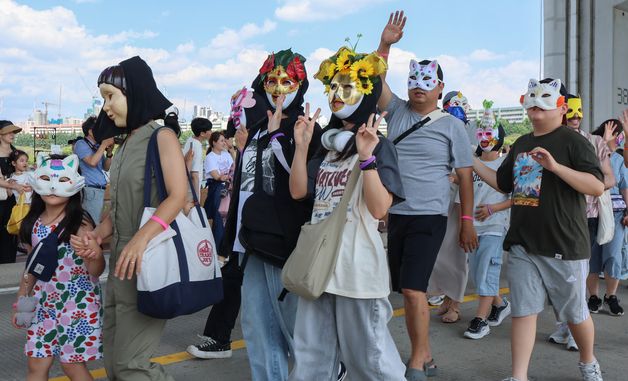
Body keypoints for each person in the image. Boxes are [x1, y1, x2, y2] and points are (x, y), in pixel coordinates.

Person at [472, 78, 604, 381]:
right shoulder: (521, 143)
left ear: (560, 107)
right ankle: (519, 376)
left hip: (564, 245)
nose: (535, 108)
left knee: (574, 313)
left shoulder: (574, 142)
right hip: (522, 243)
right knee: (523, 311)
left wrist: (556, 167)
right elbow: (504, 184)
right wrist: (469, 162)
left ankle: (588, 361)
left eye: (543, 101)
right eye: (531, 102)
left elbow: (596, 186)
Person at [288, 47, 405, 381]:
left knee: (370, 362)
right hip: (319, 268)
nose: (337, 95)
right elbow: (299, 192)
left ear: (366, 94)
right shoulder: (328, 145)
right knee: (311, 360)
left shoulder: (379, 146)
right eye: (333, 88)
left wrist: (367, 158)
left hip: (357, 273)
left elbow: (381, 209)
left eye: (347, 87)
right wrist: (301, 145)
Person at [376, 11, 477, 380]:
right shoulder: (397, 112)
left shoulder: (452, 126)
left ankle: (416, 362)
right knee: (404, 290)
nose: (419, 86)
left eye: (427, 81)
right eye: (414, 80)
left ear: (439, 87)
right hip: (396, 214)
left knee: (414, 288)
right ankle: (428, 356)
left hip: (430, 215)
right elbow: (375, 80)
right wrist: (385, 44)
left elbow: (465, 178)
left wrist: (466, 222)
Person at [73, 56, 186, 381]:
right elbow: (118, 207)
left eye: (111, 95)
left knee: (130, 365)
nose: (105, 105)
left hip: (147, 260)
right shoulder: (122, 147)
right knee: (114, 361)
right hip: (121, 264)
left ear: (134, 92)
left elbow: (177, 196)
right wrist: (98, 235)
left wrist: (140, 238)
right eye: (103, 97)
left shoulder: (161, 137)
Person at [219, 49, 322, 381]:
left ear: (301, 86)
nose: (278, 87)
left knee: (296, 332)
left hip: (286, 245)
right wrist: (229, 240)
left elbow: (302, 187)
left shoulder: (306, 128)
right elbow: (242, 184)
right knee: (257, 329)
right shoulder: (259, 125)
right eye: (271, 80)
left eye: (287, 81)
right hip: (251, 242)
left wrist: (285, 138)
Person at [187, 86, 267, 361]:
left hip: (268, 235)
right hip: (242, 233)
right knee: (231, 281)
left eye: (241, 116)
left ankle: (322, 359)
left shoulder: (272, 144)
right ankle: (219, 338)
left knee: (283, 300)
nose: (236, 127)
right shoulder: (243, 149)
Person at [12, 153, 104, 381]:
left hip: (78, 305)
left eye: (62, 180)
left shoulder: (80, 223)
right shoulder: (32, 222)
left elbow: (96, 270)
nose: (53, 187)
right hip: (43, 304)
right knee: (36, 364)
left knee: (72, 366)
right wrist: (23, 301)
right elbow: (32, 267)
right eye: (47, 179)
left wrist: (94, 254)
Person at [548, 93, 615, 351]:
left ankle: (576, 328)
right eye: (570, 112)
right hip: (556, 215)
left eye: (579, 112)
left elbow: (609, 178)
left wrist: (587, 185)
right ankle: (564, 325)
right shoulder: (552, 139)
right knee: (558, 273)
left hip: (585, 216)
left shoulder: (596, 142)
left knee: (577, 273)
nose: (575, 117)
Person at [462, 101, 512, 340]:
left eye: (489, 133)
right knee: (476, 273)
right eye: (480, 133)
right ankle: (500, 304)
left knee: (486, 271)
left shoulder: (505, 164)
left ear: (499, 137)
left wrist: (493, 208)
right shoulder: (471, 164)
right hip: (473, 227)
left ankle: (480, 320)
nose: (484, 138)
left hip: (495, 226)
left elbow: (518, 197)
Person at [428, 89, 475, 323]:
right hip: (439, 200)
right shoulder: (438, 130)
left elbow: (470, 170)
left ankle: (455, 303)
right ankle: (447, 298)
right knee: (440, 253)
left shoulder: (469, 136)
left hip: (458, 202)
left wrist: (456, 177)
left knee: (457, 254)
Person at [587, 119, 626, 316]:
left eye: (620, 135)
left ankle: (610, 296)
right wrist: (601, 144)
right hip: (592, 212)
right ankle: (593, 296)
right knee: (591, 256)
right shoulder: (591, 151)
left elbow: (625, 186)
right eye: (615, 134)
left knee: (613, 255)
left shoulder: (620, 160)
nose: (618, 139)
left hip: (616, 213)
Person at [73, 116, 114, 224]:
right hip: (89, 190)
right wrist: (104, 145)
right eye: (100, 128)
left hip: (98, 190)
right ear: (91, 131)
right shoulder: (81, 144)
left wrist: (109, 153)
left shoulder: (96, 147)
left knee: (95, 223)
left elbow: (106, 167)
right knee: (91, 224)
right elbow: (92, 162)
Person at [0, 120, 28, 263]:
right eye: (9, 131)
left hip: (13, 200)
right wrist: (13, 186)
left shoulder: (15, 153)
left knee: (10, 230)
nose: (12, 134)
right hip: (2, 198)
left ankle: (8, 262)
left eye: (13, 132)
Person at [203, 131, 234, 249]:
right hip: (219, 188)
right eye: (221, 140)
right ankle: (219, 247)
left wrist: (231, 150)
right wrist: (227, 175)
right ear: (214, 143)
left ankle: (227, 246)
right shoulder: (210, 157)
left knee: (228, 216)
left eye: (224, 140)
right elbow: (217, 176)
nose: (224, 142)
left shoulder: (226, 154)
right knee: (219, 217)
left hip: (228, 186)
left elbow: (234, 166)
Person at [183, 117, 212, 197]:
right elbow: (194, 175)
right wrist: (196, 197)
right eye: (209, 130)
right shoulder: (197, 146)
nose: (211, 132)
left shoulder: (190, 140)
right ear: (202, 133)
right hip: (191, 192)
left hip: (186, 188)